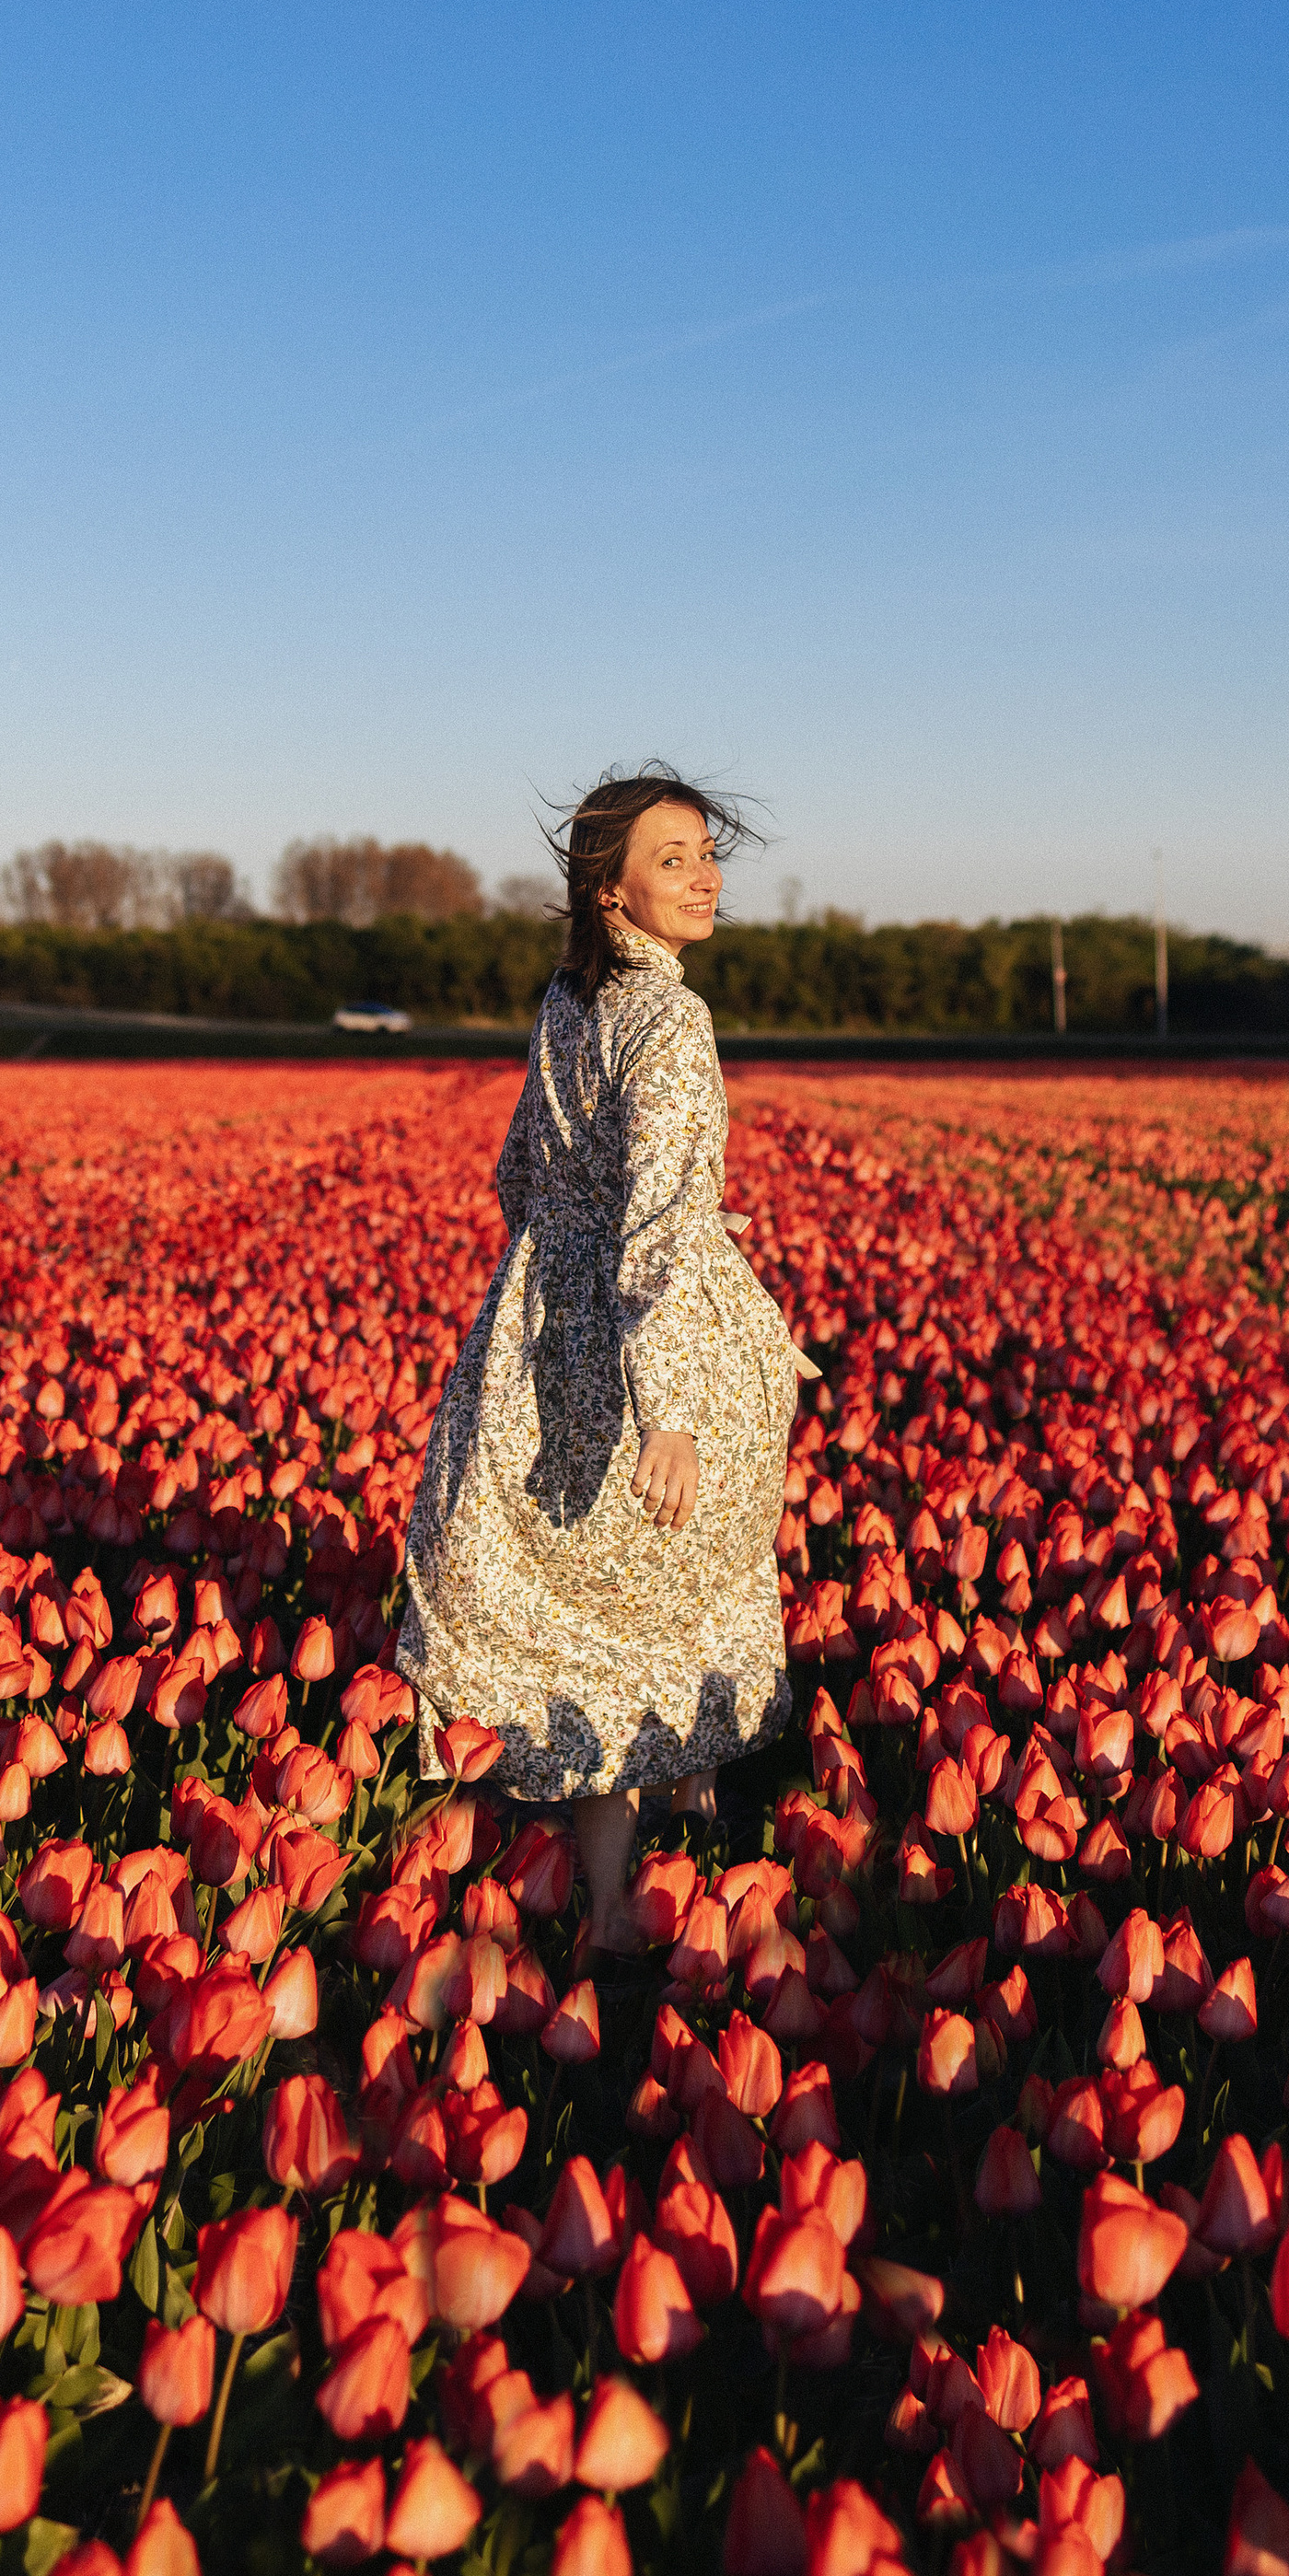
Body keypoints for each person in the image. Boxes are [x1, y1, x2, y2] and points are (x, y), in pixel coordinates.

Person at [397, 765, 812, 1954]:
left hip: (546, 1322)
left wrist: (549, 1275)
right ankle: (648, 1898)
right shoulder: (668, 1019)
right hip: (641, 1348)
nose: (705, 877)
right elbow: (670, 1218)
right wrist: (673, 1405)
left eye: (706, 854)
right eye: (672, 858)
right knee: (647, 1608)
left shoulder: (567, 1003)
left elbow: (522, 1174)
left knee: (579, 1605)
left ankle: (607, 1889)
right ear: (611, 889)